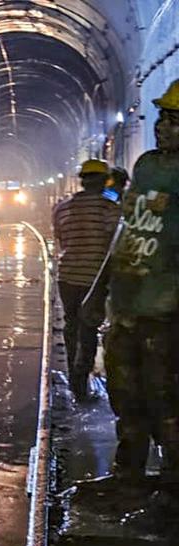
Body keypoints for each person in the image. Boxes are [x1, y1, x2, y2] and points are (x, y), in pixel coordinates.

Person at [103, 78, 179, 488]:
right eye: (163, 118)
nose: (163, 127)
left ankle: (171, 482)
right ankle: (128, 473)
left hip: (165, 311)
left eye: (175, 120)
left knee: (163, 397)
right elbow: (129, 226)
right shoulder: (147, 165)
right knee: (126, 393)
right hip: (129, 302)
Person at [52, 159, 119, 400]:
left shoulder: (61, 208)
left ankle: (73, 373)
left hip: (67, 275)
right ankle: (81, 386)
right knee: (89, 328)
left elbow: (60, 240)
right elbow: (114, 245)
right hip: (94, 278)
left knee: (71, 326)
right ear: (104, 182)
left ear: (82, 180)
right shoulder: (109, 209)